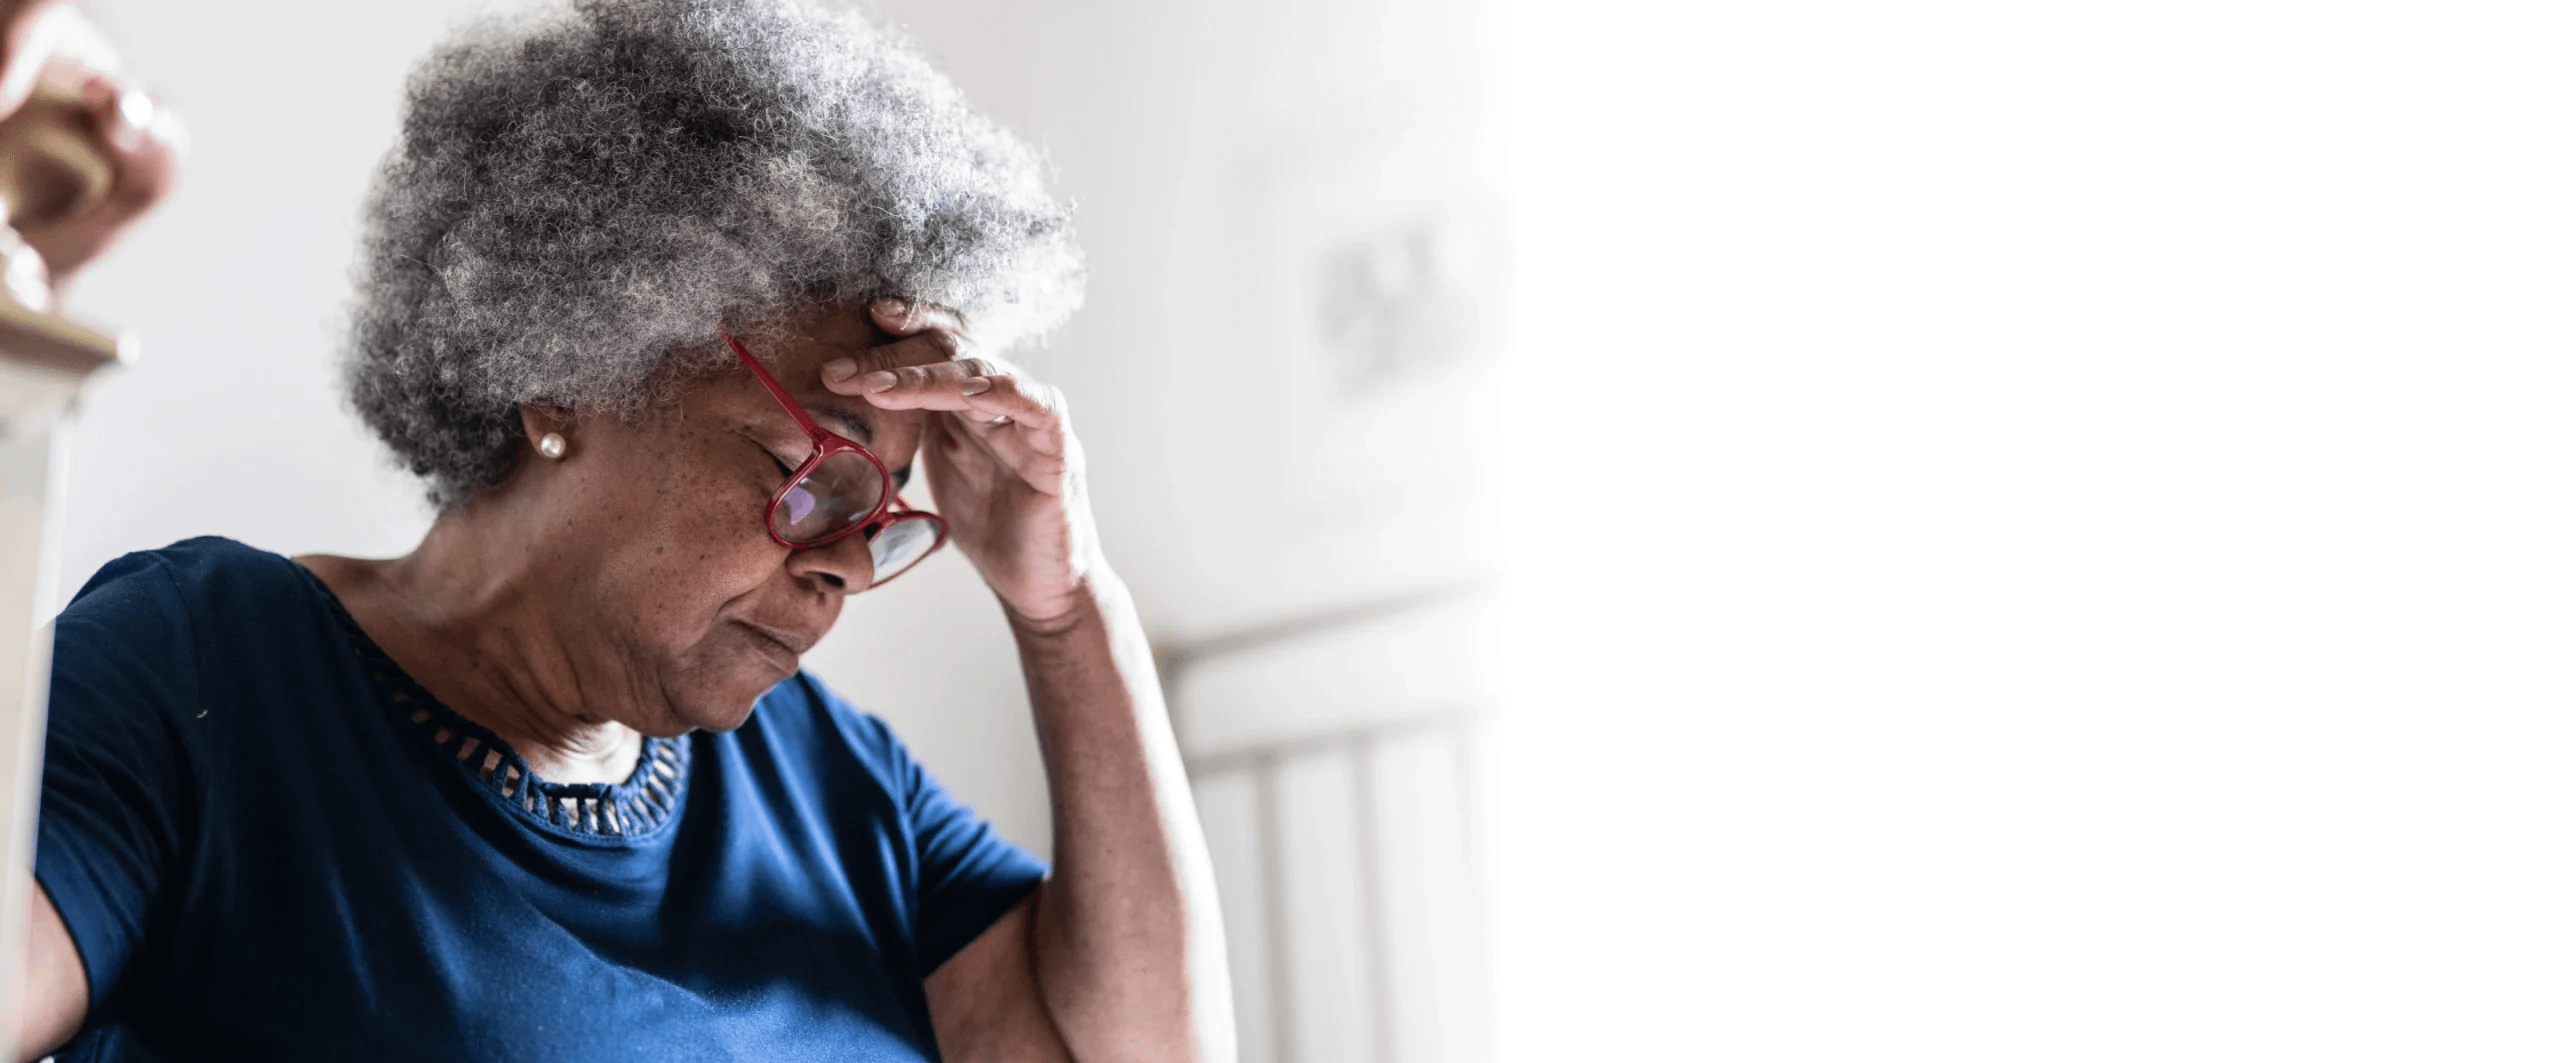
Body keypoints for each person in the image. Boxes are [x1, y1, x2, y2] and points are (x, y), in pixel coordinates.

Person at [13, 1, 1230, 1060]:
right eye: (807, 469)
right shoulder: (209, 669)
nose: (842, 569)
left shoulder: (824, 775)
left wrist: (1067, 606)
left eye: (883, 518)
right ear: (567, 375)